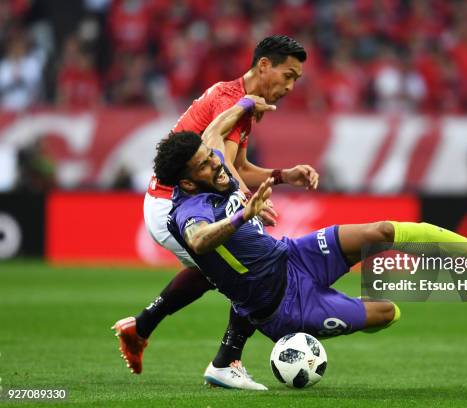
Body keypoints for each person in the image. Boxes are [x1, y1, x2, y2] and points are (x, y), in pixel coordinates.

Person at [154, 109, 467, 360]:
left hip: (293, 257)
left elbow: (215, 130)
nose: (216, 163)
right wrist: (243, 217)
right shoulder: (191, 209)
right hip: (283, 307)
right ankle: (321, 319)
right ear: (187, 182)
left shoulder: (208, 165)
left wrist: (248, 100)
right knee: (387, 312)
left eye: (211, 155)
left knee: (383, 230)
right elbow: (200, 239)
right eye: (205, 165)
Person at [113, 35, 317, 390]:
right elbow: (224, 168)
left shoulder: (241, 103)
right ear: (264, 65)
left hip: (183, 203)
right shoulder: (232, 102)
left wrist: (284, 175)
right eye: (288, 75)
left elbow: (236, 166)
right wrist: (248, 200)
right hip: (173, 205)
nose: (290, 86)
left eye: (296, 79)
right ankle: (226, 363)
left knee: (215, 271)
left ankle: (141, 327)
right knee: (251, 269)